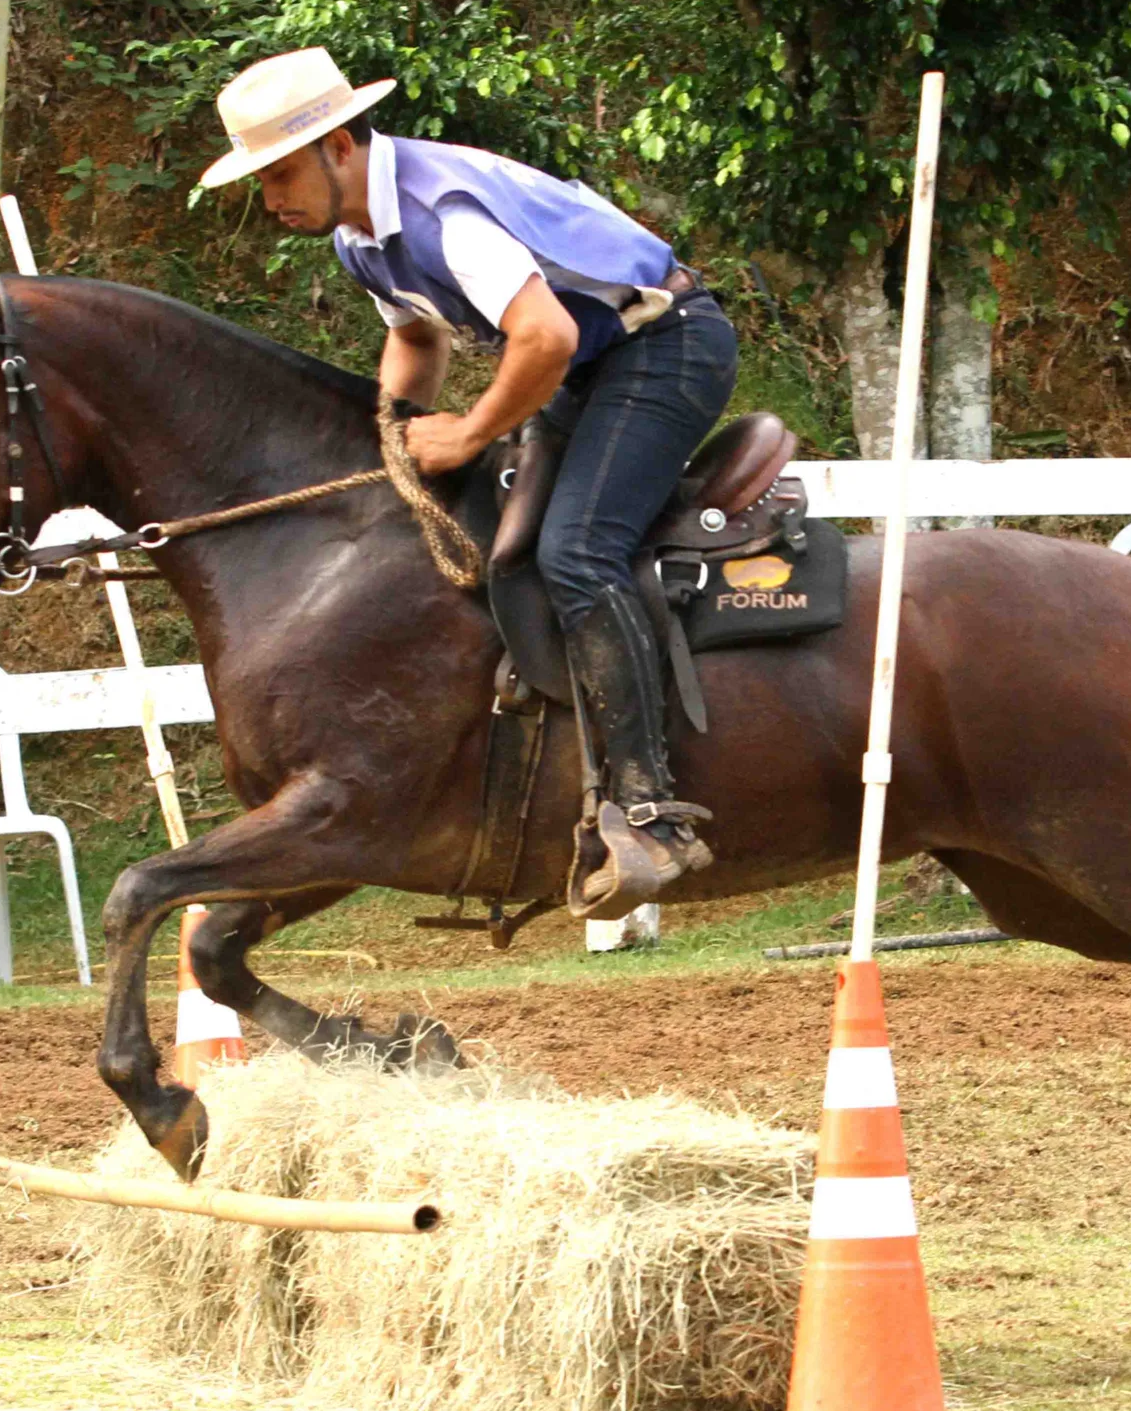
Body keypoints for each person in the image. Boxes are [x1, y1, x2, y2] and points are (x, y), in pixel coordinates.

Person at [198, 48, 740, 915]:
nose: (269, 200)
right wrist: (391, 435)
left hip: (661, 349)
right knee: (506, 540)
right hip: (591, 366)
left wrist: (471, 431)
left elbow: (546, 337)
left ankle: (649, 811)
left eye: (280, 173)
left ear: (339, 146)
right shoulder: (361, 238)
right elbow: (417, 340)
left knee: (576, 553)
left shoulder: (438, 213)